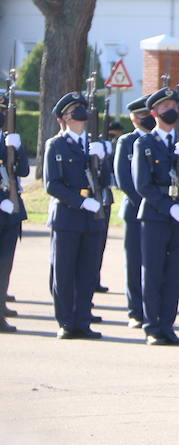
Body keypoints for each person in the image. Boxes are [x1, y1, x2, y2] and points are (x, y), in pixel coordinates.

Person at [133, 86, 179, 346]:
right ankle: (152, 326)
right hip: (155, 215)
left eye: (174, 107)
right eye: (165, 107)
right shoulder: (145, 143)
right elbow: (142, 184)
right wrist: (166, 206)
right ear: (154, 112)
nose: (171, 111)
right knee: (154, 272)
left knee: (174, 273)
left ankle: (167, 324)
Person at [44, 91, 106, 340]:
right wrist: (82, 203)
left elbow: (105, 181)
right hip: (68, 217)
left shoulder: (94, 145)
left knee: (87, 272)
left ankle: (83, 320)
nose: (81, 113)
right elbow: (52, 185)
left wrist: (102, 159)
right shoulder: (56, 145)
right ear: (64, 119)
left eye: (82, 108)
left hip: (91, 219)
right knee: (65, 271)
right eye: (74, 110)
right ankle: (66, 322)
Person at [113, 95, 153, 328]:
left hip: (159, 213)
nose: (145, 118)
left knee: (156, 263)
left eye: (148, 114)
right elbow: (124, 180)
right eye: (141, 115)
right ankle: (136, 311)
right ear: (133, 118)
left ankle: (154, 309)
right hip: (136, 210)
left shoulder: (160, 141)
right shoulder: (126, 142)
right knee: (135, 262)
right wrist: (148, 203)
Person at [0, 89, 29, 333]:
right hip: (2, 205)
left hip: (11, 212)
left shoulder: (10, 140)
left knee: (5, 264)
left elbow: (23, 172)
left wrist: (17, 150)